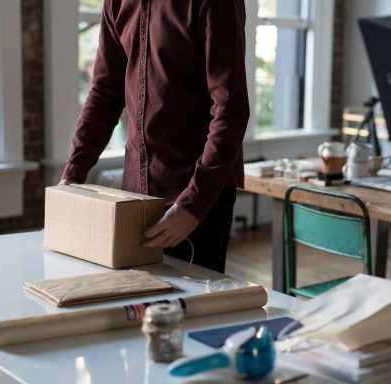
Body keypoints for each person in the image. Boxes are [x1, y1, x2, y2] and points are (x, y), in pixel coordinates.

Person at [60, 0, 249, 273]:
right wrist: (71, 177)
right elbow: (104, 95)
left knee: (191, 311)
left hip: (197, 193)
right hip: (135, 196)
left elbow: (230, 111)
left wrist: (193, 205)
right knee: (138, 307)